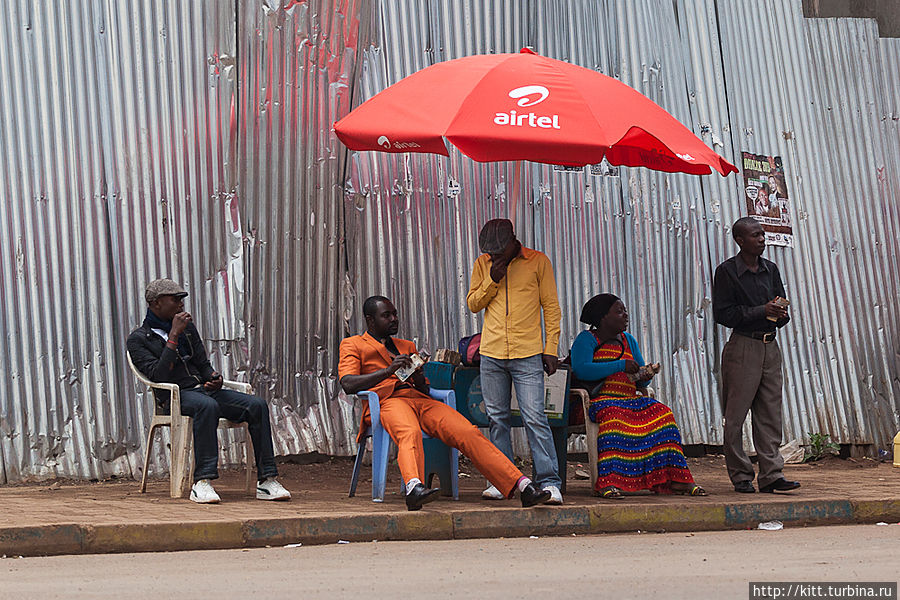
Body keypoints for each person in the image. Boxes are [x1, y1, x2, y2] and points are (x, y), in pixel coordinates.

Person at [338, 295, 552, 511]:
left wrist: (419, 375)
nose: (394, 319)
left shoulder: (406, 346)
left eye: (395, 314)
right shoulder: (353, 344)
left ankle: (523, 485)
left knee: (468, 432)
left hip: (420, 400)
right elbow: (348, 383)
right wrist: (388, 371)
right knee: (408, 431)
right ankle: (414, 488)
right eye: (386, 315)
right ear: (370, 320)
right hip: (387, 402)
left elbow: (424, 389)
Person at [127, 279, 291, 504]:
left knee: (256, 405)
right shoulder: (138, 339)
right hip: (175, 397)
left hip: (203, 392)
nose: (181, 305)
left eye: (182, 299)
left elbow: (203, 365)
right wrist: (173, 335)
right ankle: (202, 482)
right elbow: (158, 376)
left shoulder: (188, 329)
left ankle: (267, 480)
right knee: (207, 406)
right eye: (174, 300)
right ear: (156, 303)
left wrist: (214, 378)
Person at [466, 219, 564, 504]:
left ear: (513, 242)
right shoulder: (483, 264)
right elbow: (473, 304)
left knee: (535, 418)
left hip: (528, 353)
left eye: (498, 252)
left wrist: (551, 348)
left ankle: (549, 482)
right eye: (490, 253)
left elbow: (551, 308)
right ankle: (502, 480)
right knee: (497, 419)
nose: (493, 257)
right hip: (492, 353)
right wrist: (492, 279)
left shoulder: (538, 262)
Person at [570, 294, 706, 499]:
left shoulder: (629, 341)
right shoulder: (587, 339)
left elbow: (641, 382)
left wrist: (646, 374)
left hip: (629, 400)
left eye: (624, 311)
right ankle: (609, 482)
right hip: (599, 401)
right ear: (603, 317)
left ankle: (677, 480)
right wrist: (619, 365)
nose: (625, 315)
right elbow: (581, 370)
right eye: (619, 311)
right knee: (615, 420)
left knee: (664, 415)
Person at [713, 217, 800, 494]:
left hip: (769, 346)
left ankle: (772, 475)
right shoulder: (727, 271)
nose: (762, 239)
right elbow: (724, 314)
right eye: (755, 235)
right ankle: (740, 475)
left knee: (770, 414)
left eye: (762, 234)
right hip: (743, 347)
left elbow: (781, 305)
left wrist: (779, 313)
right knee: (736, 415)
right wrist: (761, 311)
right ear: (740, 241)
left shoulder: (770, 269)